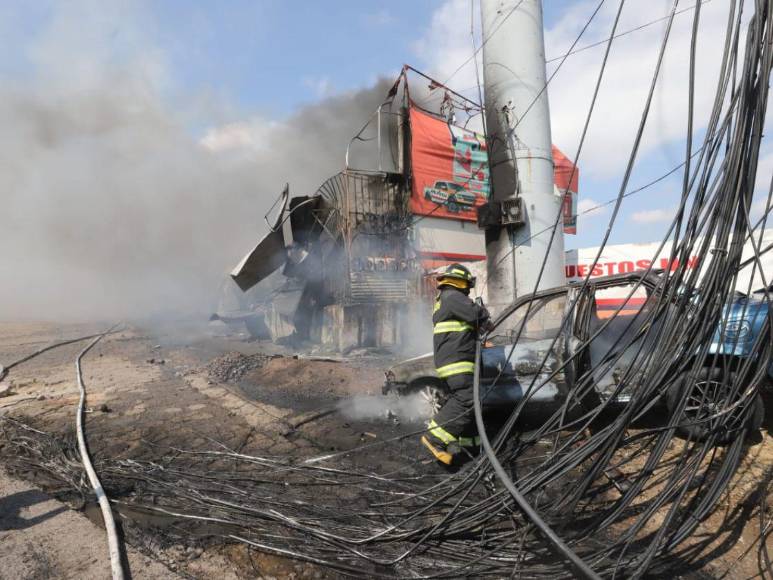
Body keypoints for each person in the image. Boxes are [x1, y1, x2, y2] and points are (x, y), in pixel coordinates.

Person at [421, 263, 490, 467]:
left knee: (472, 400)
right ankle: (434, 439)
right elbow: (475, 313)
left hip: (457, 358)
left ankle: (470, 446)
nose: (468, 290)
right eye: (467, 285)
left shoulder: (448, 299)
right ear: (460, 282)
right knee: (466, 398)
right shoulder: (452, 297)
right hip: (457, 360)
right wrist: (485, 316)